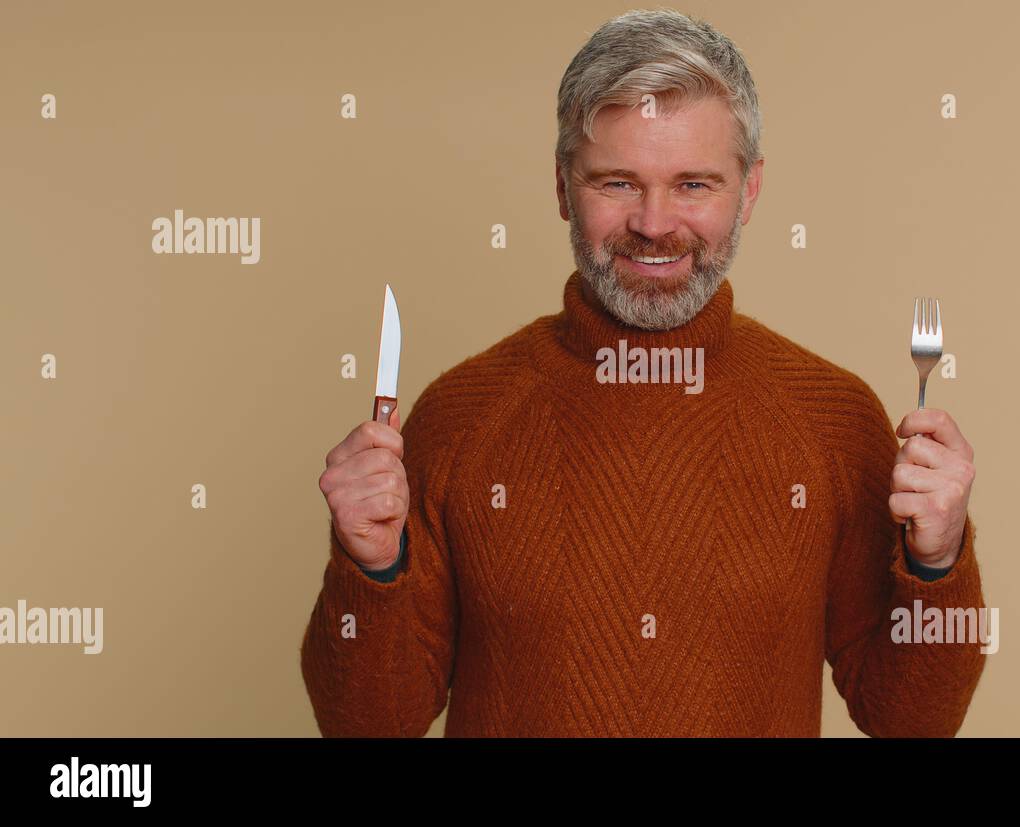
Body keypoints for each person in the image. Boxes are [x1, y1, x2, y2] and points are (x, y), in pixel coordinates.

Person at [302, 8, 985, 737]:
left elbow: (911, 720)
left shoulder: (833, 420)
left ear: (748, 191)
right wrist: (370, 569)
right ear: (564, 187)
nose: (655, 223)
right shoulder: (461, 416)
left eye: (694, 184)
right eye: (618, 183)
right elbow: (368, 724)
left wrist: (938, 563)